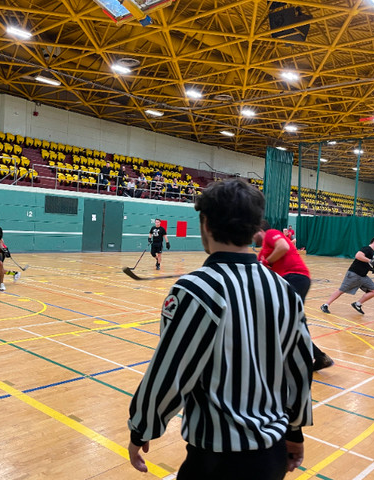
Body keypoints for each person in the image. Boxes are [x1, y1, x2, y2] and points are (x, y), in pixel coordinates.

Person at [128, 179, 313, 479]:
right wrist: (295, 431)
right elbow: (300, 369)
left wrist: (142, 428)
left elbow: (171, 370)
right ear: (256, 230)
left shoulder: (195, 289)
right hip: (273, 455)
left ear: (205, 223)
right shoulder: (285, 290)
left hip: (217, 460)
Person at [253, 220, 334, 371]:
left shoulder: (271, 234)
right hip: (288, 282)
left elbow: (283, 247)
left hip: (295, 277)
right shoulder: (262, 253)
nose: (252, 237)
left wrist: (268, 262)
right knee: (291, 322)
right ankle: (319, 356)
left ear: (259, 229)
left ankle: (289, 357)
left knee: (285, 321)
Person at [320, 236, 374, 315]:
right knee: (341, 290)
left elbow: (363, 263)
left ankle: (357, 304)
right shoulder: (367, 249)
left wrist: (371, 269)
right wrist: (370, 261)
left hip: (363, 276)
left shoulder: (371, 252)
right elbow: (358, 256)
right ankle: (325, 305)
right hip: (354, 274)